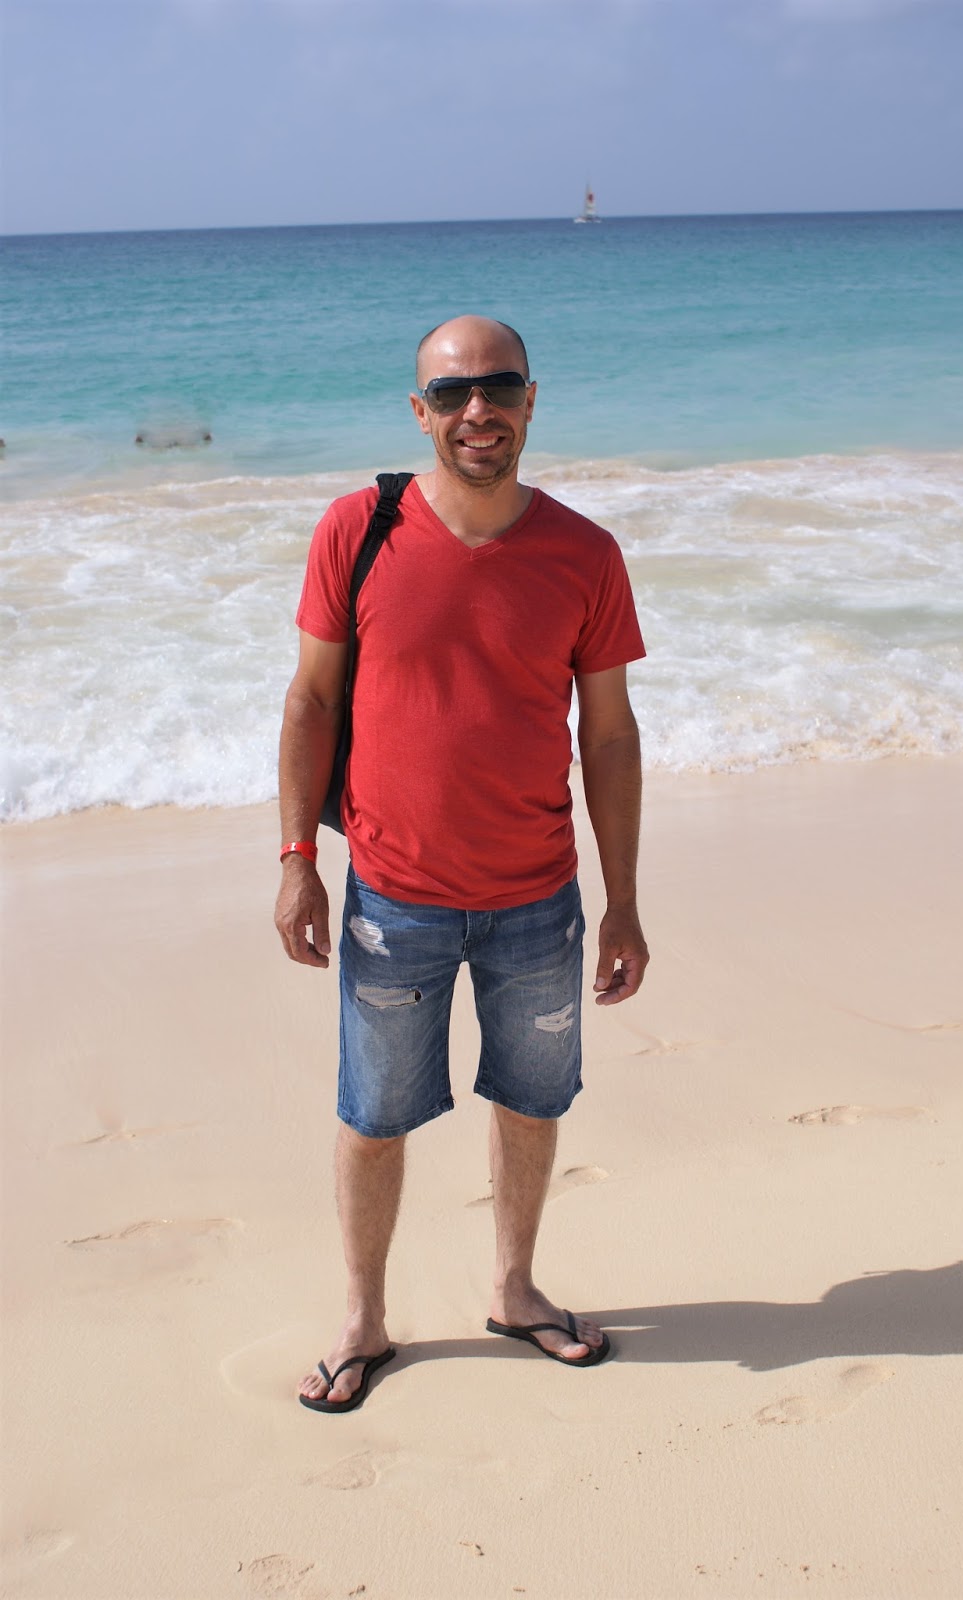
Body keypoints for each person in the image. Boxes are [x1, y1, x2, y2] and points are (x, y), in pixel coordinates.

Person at [275, 315, 648, 1413]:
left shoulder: (585, 552)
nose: (476, 410)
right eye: (451, 393)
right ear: (419, 411)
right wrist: (297, 860)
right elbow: (311, 701)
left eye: (498, 388)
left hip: (538, 896)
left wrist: (623, 901)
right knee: (374, 1112)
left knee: (532, 1100)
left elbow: (609, 737)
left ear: (531, 401)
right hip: (393, 898)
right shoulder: (359, 529)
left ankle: (516, 1289)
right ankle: (363, 1320)